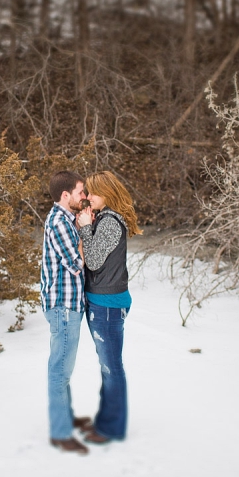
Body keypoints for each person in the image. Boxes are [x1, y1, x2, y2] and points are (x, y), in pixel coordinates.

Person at [75, 170, 142, 444]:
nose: (88, 197)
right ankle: (106, 422)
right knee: (107, 366)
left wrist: (84, 228)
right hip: (103, 301)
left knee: (111, 367)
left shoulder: (111, 222)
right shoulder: (104, 219)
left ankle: (112, 427)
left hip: (107, 305)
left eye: (93, 192)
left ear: (107, 194)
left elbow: (92, 261)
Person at [40, 170, 90, 455]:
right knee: (59, 370)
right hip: (63, 306)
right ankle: (60, 433)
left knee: (63, 369)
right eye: (81, 192)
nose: (84, 196)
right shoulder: (59, 222)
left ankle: (66, 417)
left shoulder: (67, 219)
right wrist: (86, 233)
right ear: (65, 194)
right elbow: (76, 263)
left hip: (69, 305)